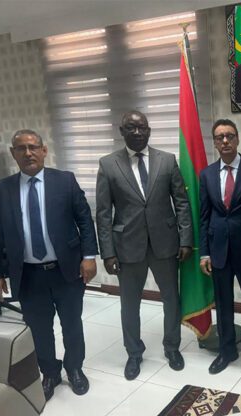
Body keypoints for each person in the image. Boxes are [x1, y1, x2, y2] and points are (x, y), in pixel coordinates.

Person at [0, 129, 98, 401]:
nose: (28, 153)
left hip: (66, 270)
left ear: (44, 150)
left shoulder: (65, 181)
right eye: (21, 148)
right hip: (28, 275)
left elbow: (84, 220)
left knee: (72, 324)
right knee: (38, 329)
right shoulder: (1, 190)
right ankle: (50, 373)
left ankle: (74, 368)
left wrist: (89, 256)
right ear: (13, 153)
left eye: (33, 147)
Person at [95, 110, 192, 380]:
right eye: (131, 128)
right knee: (129, 305)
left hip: (166, 244)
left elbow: (181, 203)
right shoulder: (108, 164)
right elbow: (103, 213)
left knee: (171, 299)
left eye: (142, 128)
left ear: (149, 131)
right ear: (121, 131)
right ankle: (134, 353)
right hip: (127, 246)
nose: (137, 133)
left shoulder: (167, 160)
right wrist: (108, 253)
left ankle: (172, 347)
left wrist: (185, 239)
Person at [198, 119, 241, 375]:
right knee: (223, 304)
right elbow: (204, 216)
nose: (225, 141)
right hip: (218, 250)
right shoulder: (206, 174)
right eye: (220, 137)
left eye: (229, 135)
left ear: (237, 139)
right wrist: (204, 252)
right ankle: (227, 350)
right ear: (215, 143)